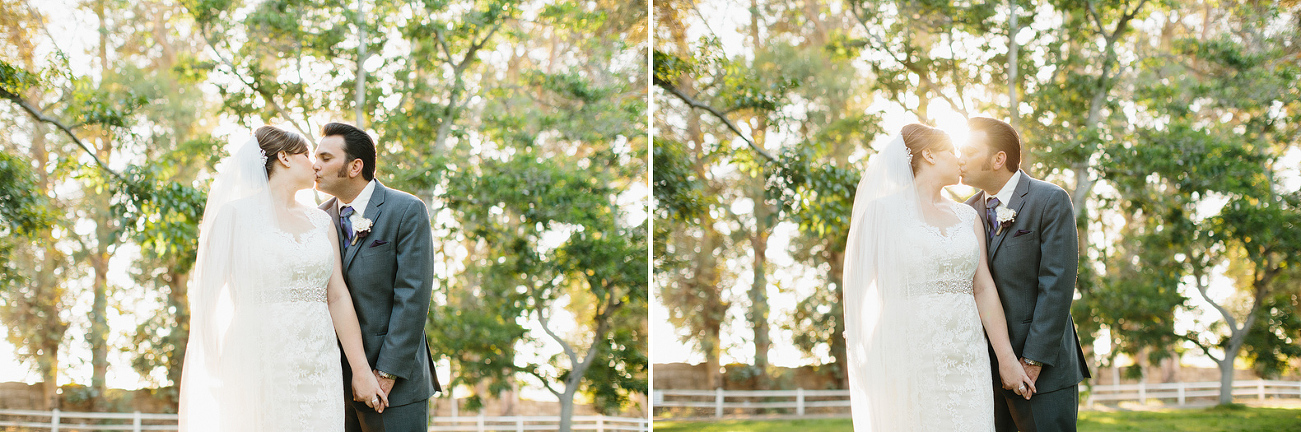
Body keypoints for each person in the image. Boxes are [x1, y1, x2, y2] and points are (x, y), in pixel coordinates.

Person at [179, 126, 388, 431]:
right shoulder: (234, 216)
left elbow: (337, 296)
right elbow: (207, 299)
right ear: (284, 158)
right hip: (257, 357)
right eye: (307, 154)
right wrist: (213, 364)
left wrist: (360, 370)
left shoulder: (320, 221)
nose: (315, 164)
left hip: (319, 362)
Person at [842, 123, 1035, 431]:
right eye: (951, 151)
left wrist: (1006, 358)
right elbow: (856, 293)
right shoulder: (881, 214)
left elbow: (983, 288)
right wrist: (864, 354)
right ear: (928, 155)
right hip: (906, 353)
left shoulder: (967, 216)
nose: (960, 159)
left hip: (967, 355)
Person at [960, 117, 1091, 432]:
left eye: (968, 150)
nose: (960, 159)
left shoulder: (1049, 200)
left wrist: (1032, 361)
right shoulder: (965, 212)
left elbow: (1057, 287)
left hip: (1043, 371)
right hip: (986, 371)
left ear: (998, 159)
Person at [313, 122, 442, 431]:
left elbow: (413, 297)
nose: (314, 165)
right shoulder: (317, 219)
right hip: (335, 385)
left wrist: (385, 374)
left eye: (326, 158)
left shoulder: (406, 210)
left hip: (394, 386)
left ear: (355, 166)